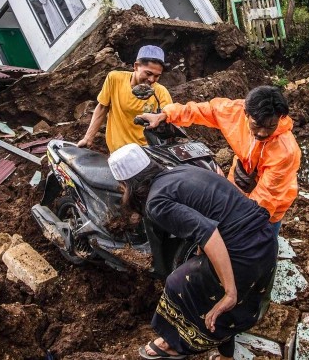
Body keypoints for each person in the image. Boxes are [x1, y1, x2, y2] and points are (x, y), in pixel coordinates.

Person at [107, 143, 277, 360]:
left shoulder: (156, 202)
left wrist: (229, 292)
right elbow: (211, 214)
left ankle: (173, 343)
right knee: (208, 286)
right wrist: (201, 252)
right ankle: (227, 356)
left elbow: (208, 232)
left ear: (126, 185)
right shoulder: (178, 171)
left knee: (177, 283)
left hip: (244, 251)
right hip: (265, 239)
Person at [137, 86, 300, 231]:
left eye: (270, 126)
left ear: (280, 118)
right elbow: (203, 110)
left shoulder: (285, 152)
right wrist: (166, 114)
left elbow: (265, 200)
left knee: (262, 238)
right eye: (257, 125)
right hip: (240, 180)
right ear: (246, 113)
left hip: (271, 203)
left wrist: (241, 225)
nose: (263, 133)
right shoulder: (234, 112)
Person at [77, 45, 172, 152]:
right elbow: (102, 108)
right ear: (136, 66)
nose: (151, 79)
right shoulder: (115, 79)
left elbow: (169, 117)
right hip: (117, 151)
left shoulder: (160, 92)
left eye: (156, 76)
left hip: (145, 151)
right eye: (148, 73)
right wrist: (88, 138)